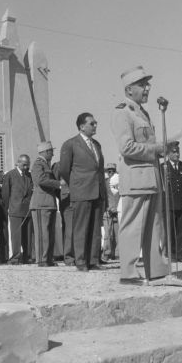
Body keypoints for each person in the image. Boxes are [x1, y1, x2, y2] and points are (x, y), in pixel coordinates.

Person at [110, 66, 182, 286]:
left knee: (155, 227)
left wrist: (160, 147)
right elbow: (127, 148)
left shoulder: (141, 112)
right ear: (129, 89)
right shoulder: (122, 112)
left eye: (147, 84)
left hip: (151, 179)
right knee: (133, 227)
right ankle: (128, 274)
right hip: (136, 180)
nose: (147, 88)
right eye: (142, 85)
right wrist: (156, 149)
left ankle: (157, 271)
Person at [59, 113, 106, 272]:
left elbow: (99, 170)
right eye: (92, 123)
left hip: (97, 191)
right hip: (81, 191)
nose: (95, 126)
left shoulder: (97, 145)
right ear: (81, 126)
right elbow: (65, 170)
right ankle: (80, 261)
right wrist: (77, 184)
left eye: (96, 123)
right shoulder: (70, 144)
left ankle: (93, 260)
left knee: (95, 229)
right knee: (81, 228)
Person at [30, 141, 62, 267]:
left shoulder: (45, 164)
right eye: (51, 151)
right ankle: (42, 260)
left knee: (49, 233)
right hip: (40, 203)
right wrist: (58, 183)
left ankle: (48, 259)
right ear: (46, 152)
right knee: (42, 233)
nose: (53, 154)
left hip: (49, 203)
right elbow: (40, 180)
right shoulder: (38, 164)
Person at [162, 142, 182, 262]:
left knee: (181, 231)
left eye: (178, 151)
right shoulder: (163, 167)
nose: (177, 154)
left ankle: (180, 255)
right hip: (169, 204)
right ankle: (171, 254)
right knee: (170, 231)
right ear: (168, 154)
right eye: (174, 152)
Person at [2, 154, 34, 265]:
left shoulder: (30, 176)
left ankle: (27, 257)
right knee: (16, 235)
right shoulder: (10, 175)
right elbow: (5, 194)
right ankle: (15, 257)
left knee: (28, 235)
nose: (26, 167)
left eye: (28, 165)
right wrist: (8, 207)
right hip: (15, 209)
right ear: (18, 163)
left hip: (28, 210)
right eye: (24, 165)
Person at [53, 161, 75, 266]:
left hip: (79, 198)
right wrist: (63, 195)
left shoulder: (79, 162)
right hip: (67, 200)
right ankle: (69, 257)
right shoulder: (59, 165)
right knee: (69, 230)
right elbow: (55, 184)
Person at [102, 163, 120, 261]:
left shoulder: (120, 181)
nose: (111, 172)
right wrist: (108, 207)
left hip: (117, 210)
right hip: (107, 210)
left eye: (112, 170)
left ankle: (116, 253)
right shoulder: (104, 183)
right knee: (108, 234)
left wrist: (117, 207)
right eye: (109, 171)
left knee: (117, 233)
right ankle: (106, 253)